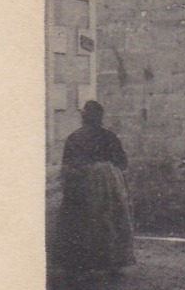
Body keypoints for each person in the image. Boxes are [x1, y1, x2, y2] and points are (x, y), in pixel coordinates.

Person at [53, 101, 136, 277]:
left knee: (82, 220)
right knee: (108, 219)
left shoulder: (74, 137)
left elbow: (68, 165)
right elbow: (121, 162)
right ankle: (110, 261)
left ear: (84, 117)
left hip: (81, 182)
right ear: (100, 117)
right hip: (107, 184)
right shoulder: (109, 136)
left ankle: (80, 262)